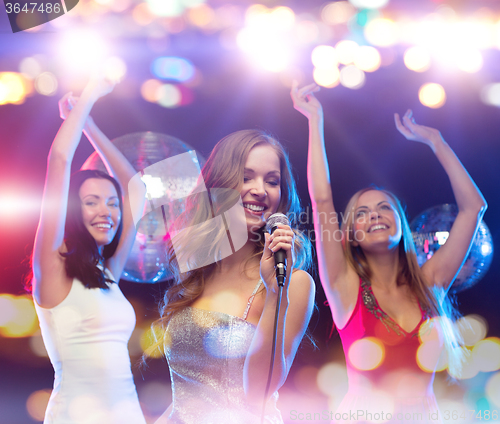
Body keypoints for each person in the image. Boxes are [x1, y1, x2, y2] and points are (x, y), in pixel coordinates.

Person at [290, 81, 487, 423]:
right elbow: (322, 199)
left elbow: (473, 208)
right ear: (350, 234)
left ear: (401, 223)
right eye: (362, 213)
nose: (375, 215)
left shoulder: (431, 282)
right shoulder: (344, 285)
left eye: (384, 207)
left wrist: (437, 142)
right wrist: (315, 119)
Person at [149, 129, 316, 423]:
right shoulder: (196, 273)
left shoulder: (293, 282)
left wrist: (277, 291)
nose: (260, 189)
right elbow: (185, 397)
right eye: (246, 177)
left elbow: (258, 392)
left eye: (272, 181)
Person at [29, 76, 147, 424]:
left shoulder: (107, 272)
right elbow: (60, 160)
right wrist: (89, 97)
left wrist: (90, 126)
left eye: (111, 203)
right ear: (72, 209)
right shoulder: (52, 266)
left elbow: (135, 189)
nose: (106, 211)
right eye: (91, 202)